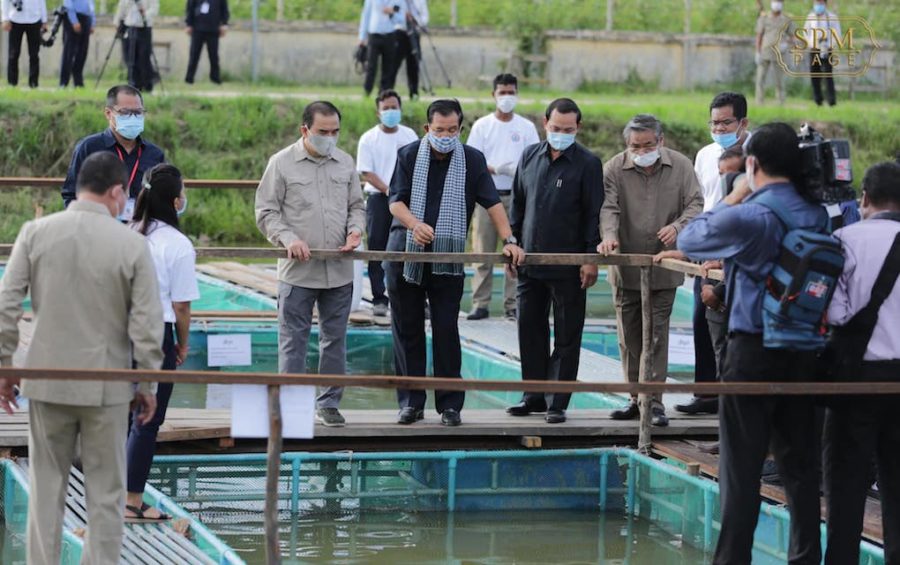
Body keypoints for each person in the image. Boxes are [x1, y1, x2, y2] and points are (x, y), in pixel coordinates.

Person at [0, 152, 162, 564]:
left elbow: (6, 305)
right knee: (106, 495)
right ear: (114, 191)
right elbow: (146, 324)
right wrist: (146, 383)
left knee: (46, 489)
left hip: (47, 379)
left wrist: (4, 367)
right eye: (124, 193)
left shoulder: (35, 232)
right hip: (106, 386)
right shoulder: (131, 245)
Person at [678, 122, 827, 565]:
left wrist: (736, 193)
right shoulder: (815, 213)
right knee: (800, 467)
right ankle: (805, 558)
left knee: (740, 468)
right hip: (803, 350)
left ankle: (732, 559)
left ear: (753, 164)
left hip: (752, 350)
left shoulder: (752, 214)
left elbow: (691, 239)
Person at [386, 99, 525, 427]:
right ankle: (411, 402)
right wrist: (414, 225)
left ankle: (450, 405)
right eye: (439, 130)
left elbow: (492, 203)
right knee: (407, 330)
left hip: (447, 260)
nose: (445, 136)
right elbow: (395, 202)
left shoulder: (472, 160)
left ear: (460, 129)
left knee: (446, 329)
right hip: (406, 253)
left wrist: (510, 240)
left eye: (452, 130)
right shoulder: (408, 155)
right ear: (426, 129)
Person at [256, 101, 366, 428]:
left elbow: (357, 206)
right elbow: (266, 212)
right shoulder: (281, 163)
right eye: (322, 132)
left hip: (339, 269)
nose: (329, 138)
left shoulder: (345, 162)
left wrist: (355, 230)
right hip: (297, 272)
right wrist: (288, 238)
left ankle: (329, 403)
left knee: (335, 339)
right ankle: (289, 408)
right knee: (294, 341)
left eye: (335, 132)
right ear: (305, 130)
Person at [599, 114, 703, 427]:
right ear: (626, 145)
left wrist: (677, 227)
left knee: (656, 335)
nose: (641, 150)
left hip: (664, 265)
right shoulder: (614, 168)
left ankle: (654, 401)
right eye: (635, 146)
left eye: (647, 144)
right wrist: (609, 236)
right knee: (629, 336)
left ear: (660, 141)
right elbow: (608, 208)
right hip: (627, 267)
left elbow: (696, 205)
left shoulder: (681, 166)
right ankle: (635, 397)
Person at [506, 98, 602, 424]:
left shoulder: (588, 163)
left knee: (567, 333)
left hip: (569, 265)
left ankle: (557, 401)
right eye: (556, 128)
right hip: (529, 261)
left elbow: (593, 215)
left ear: (579, 128)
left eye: (569, 130)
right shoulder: (529, 156)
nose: (561, 134)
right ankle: (532, 394)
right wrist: (511, 243)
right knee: (529, 328)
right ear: (545, 123)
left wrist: (590, 259)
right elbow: (517, 204)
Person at [823, 162, 900, 565]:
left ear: (864, 199)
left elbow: (835, 314)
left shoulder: (844, 238)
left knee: (847, 487)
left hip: (856, 379)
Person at [124, 163, 198, 522]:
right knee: (147, 419)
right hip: (156, 334)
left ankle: (110, 493)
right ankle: (130, 501)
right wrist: (182, 344)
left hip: (119, 331)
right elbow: (181, 306)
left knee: (122, 414)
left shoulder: (128, 233)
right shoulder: (177, 244)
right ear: (174, 199)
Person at [677, 91, 751, 417]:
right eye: (714, 122)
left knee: (733, 326)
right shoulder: (706, 155)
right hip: (707, 246)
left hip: (741, 246)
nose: (719, 128)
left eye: (726, 122)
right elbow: (699, 200)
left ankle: (731, 401)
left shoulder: (754, 156)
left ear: (742, 122)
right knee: (701, 319)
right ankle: (705, 394)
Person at [466, 74, 540, 322]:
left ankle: (513, 304)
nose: (507, 97)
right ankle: (480, 303)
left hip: (517, 197)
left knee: (516, 252)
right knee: (483, 252)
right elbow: (473, 161)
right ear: (494, 95)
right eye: (502, 92)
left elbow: (535, 161)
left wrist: (516, 170)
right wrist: (495, 168)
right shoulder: (482, 126)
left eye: (511, 92)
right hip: (487, 197)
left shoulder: (526, 127)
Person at [357, 89, 419, 318]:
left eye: (395, 107)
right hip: (379, 199)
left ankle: (412, 297)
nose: (391, 112)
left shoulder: (409, 135)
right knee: (377, 246)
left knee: (409, 245)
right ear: (378, 112)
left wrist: (402, 192)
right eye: (386, 108)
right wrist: (388, 189)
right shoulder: (369, 138)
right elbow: (366, 171)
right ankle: (379, 298)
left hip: (406, 201)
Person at [61, 85, 166, 217]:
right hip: (99, 228)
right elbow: (71, 194)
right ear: (108, 113)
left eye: (138, 112)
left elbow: (163, 198)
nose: (133, 118)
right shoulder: (89, 148)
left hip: (141, 230)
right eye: (125, 112)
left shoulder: (155, 154)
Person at [358, 0, 401, 96]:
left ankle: (384, 93)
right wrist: (362, 37)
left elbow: (400, 19)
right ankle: (367, 91)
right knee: (371, 66)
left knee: (387, 67)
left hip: (390, 34)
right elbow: (366, 15)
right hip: (374, 34)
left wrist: (392, 13)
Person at [114, 0, 158, 93]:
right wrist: (117, 23)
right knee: (129, 58)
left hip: (144, 27)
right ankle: (134, 85)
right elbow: (121, 9)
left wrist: (144, 13)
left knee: (143, 57)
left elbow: (154, 9)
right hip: (128, 27)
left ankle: (147, 85)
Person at [755, 1, 794, 105]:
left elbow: (792, 37)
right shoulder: (764, 18)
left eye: (779, 1)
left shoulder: (786, 19)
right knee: (760, 78)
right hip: (765, 51)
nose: (777, 4)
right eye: (775, 1)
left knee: (779, 80)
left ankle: (781, 102)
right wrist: (757, 51)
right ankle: (759, 101)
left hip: (779, 53)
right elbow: (759, 35)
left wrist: (787, 44)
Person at [2, 0, 47, 88]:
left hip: (34, 19)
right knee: (13, 54)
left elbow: (41, 1)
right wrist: (5, 19)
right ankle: (12, 83)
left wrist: (44, 20)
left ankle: (33, 83)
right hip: (15, 19)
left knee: (34, 54)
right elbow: (5, 1)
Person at [803, 0, 840, 107]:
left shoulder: (832, 17)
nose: (818, 5)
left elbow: (837, 34)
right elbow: (806, 33)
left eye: (820, 3)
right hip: (814, 48)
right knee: (815, 75)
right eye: (816, 3)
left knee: (828, 75)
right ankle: (818, 100)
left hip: (827, 48)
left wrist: (828, 45)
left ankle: (831, 100)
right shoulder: (810, 17)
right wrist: (812, 43)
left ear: (825, 4)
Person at [184, 0, 229, 85]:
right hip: (197, 28)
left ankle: (215, 78)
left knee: (214, 55)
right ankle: (189, 78)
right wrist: (188, 24)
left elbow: (224, 9)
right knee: (194, 55)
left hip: (213, 29)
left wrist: (224, 24)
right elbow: (189, 8)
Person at [392, 0, 428, 99]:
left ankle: (414, 93)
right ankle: (387, 91)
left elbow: (425, 18)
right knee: (393, 64)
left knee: (413, 65)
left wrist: (414, 19)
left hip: (414, 33)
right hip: (400, 33)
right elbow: (392, 16)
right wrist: (403, 17)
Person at [59, 0, 95, 88]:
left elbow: (91, 7)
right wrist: (74, 21)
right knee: (69, 52)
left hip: (86, 18)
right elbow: (68, 4)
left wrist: (93, 23)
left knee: (82, 52)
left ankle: (78, 82)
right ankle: (64, 82)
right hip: (73, 18)